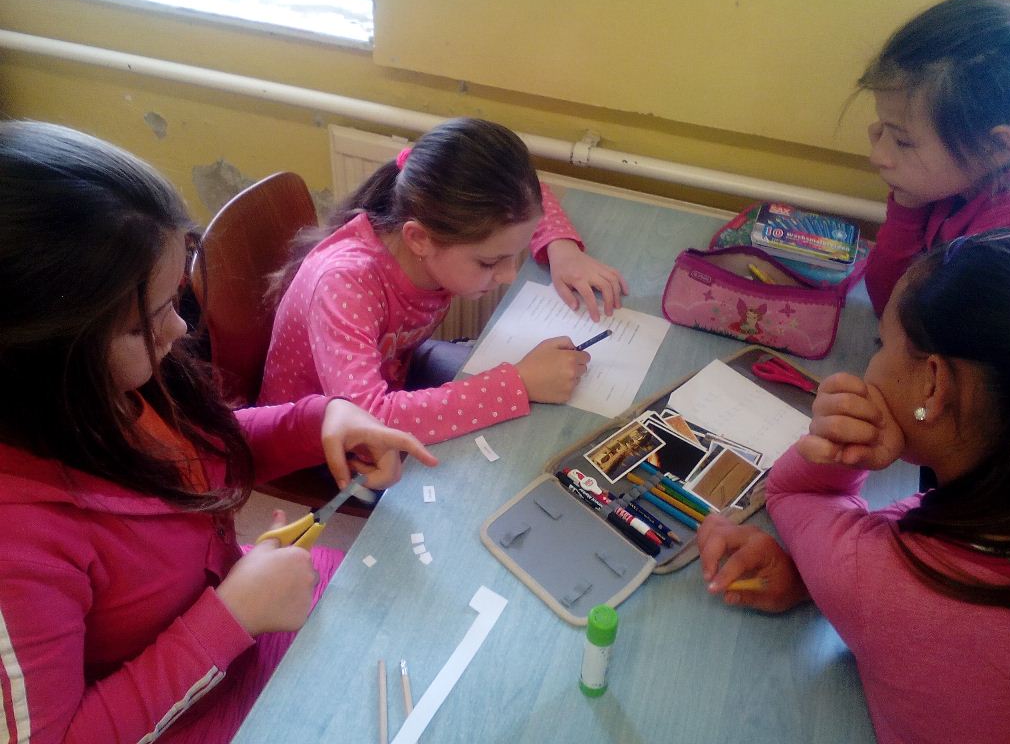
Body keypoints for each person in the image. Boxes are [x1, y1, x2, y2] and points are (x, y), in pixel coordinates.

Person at [0, 120, 437, 744]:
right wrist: (230, 618)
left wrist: (320, 421)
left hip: (239, 628)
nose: (179, 331)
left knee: (413, 621)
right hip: (191, 708)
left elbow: (201, 450)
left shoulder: (117, 384)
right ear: (35, 355)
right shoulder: (16, 546)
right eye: (144, 323)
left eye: (175, 301)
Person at [697, 229, 1010, 744]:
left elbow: (795, 494)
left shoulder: (882, 577)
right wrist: (816, 581)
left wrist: (848, 440)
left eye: (880, 344)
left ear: (932, 385)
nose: (869, 363)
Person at [258, 117, 628, 445]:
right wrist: (517, 384)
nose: (508, 275)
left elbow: (534, 196)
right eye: (489, 262)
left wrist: (563, 250)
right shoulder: (344, 283)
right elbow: (368, 421)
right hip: (318, 442)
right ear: (419, 239)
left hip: (395, 374)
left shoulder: (434, 228)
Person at [859, 0, 1010, 314]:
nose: (877, 156)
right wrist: (907, 206)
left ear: (994, 147)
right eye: (883, 130)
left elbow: (906, 321)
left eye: (902, 141)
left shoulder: (1002, 247)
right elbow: (887, 301)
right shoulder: (955, 181)